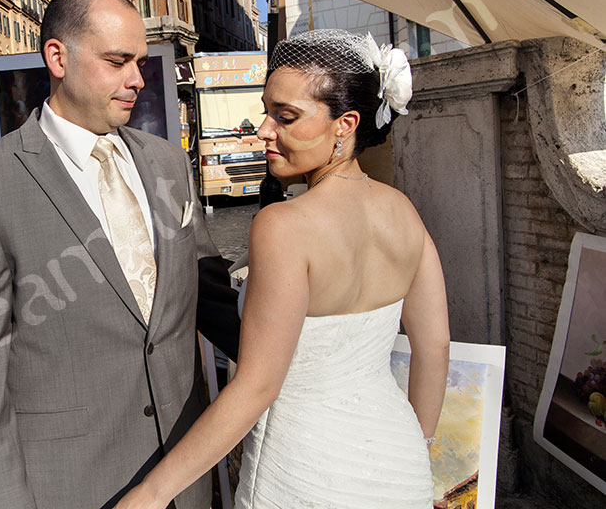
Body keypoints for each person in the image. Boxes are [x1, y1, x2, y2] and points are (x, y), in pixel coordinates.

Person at [0, 0, 241, 509]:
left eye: (140, 62)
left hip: (183, 474)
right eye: (117, 61)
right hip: (70, 485)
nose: (136, 81)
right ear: (57, 57)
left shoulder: (168, 163)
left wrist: (307, 331)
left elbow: (206, 292)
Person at [116, 29, 450, 509]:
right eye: (267, 110)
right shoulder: (406, 213)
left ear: (346, 123)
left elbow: (257, 386)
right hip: (403, 466)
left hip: (305, 471)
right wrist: (417, 450)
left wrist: (150, 494)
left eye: (286, 116)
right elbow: (434, 347)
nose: (264, 130)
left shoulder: (283, 226)